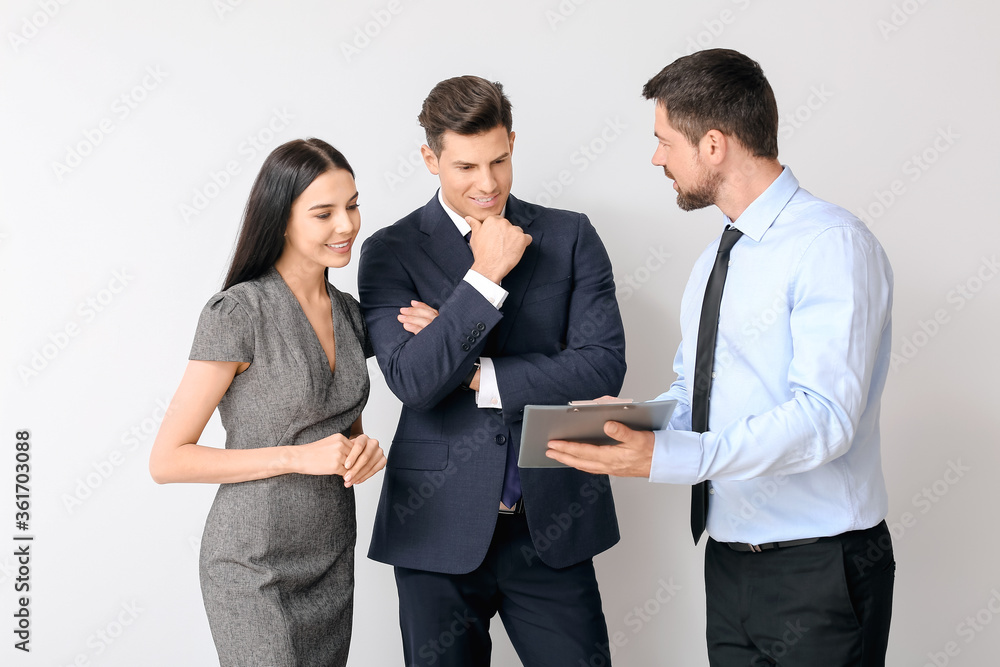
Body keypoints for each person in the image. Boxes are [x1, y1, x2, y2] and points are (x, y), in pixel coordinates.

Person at [547, 49, 895, 666]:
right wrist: (634, 420)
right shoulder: (717, 256)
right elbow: (696, 391)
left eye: (663, 141)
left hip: (820, 567)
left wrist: (672, 457)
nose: (656, 158)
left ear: (713, 145)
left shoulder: (830, 245)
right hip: (730, 561)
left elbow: (824, 419)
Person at [357, 75, 626, 666]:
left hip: (551, 520)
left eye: (500, 160)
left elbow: (602, 369)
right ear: (430, 159)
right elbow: (414, 382)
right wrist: (484, 278)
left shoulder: (570, 234)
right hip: (435, 526)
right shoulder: (389, 250)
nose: (488, 184)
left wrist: (476, 371)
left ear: (512, 141)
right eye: (466, 168)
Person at [149, 138, 386, 667]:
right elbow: (167, 460)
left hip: (330, 558)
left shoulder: (350, 315)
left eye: (352, 205)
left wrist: (362, 450)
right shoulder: (237, 313)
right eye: (323, 213)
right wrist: (294, 457)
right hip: (252, 564)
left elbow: (341, 433)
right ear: (280, 219)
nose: (346, 225)